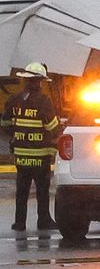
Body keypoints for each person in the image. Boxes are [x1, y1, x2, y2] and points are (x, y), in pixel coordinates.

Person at [1, 62, 62, 232]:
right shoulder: (43, 101)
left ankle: (19, 223)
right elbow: (52, 127)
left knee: (22, 191)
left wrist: (18, 134)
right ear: (39, 81)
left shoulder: (14, 100)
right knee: (42, 191)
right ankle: (43, 221)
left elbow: (5, 124)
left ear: (26, 81)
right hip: (40, 156)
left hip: (21, 156)